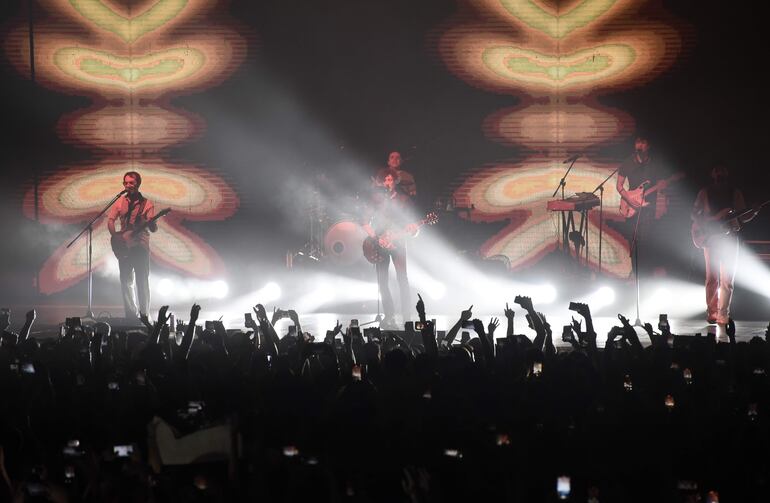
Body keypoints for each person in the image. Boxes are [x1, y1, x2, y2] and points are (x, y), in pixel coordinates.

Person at [692, 165, 756, 325]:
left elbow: (742, 216)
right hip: (711, 239)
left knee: (727, 279)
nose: (719, 173)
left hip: (729, 238)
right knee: (711, 277)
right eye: (716, 170)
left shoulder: (735, 193)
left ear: (726, 173)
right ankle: (712, 312)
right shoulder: (704, 192)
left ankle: (723, 313)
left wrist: (752, 213)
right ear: (712, 174)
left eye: (722, 170)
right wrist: (704, 223)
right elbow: (694, 213)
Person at [362, 169, 418, 327]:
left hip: (398, 243)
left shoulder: (403, 199)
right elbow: (364, 221)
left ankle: (407, 316)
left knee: (402, 279)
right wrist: (376, 238)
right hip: (380, 244)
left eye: (390, 179)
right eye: (385, 180)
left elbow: (411, 225)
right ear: (381, 182)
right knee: (382, 281)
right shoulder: (376, 200)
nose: (388, 182)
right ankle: (389, 315)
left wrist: (414, 229)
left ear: (395, 181)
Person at [108, 171, 157, 319]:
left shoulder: (147, 203)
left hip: (140, 246)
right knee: (126, 281)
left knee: (142, 282)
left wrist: (151, 223)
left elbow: (153, 228)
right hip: (123, 245)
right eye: (126, 183)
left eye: (131, 183)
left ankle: (144, 316)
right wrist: (115, 236)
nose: (128, 185)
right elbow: (110, 220)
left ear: (138, 184)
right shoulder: (119, 202)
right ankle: (130, 315)